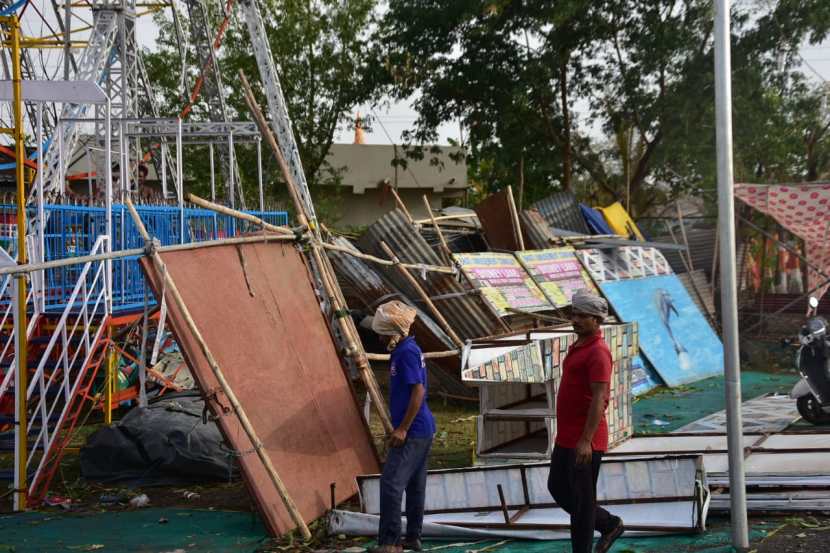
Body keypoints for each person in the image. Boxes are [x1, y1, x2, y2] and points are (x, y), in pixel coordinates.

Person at [548, 289, 624, 553]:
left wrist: (586, 441)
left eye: (583, 316)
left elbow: (599, 398)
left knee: (581, 504)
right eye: (574, 314)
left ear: (597, 320)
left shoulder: (599, 352)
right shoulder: (579, 345)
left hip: (585, 439)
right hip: (566, 436)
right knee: (557, 487)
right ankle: (609, 523)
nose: (576, 319)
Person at [369, 300, 436, 553]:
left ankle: (390, 543)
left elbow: (418, 391)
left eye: (382, 334)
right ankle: (413, 537)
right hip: (423, 429)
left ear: (393, 334)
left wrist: (403, 428)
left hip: (414, 430)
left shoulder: (405, 353)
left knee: (391, 483)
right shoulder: (410, 347)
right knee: (415, 484)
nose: (379, 338)